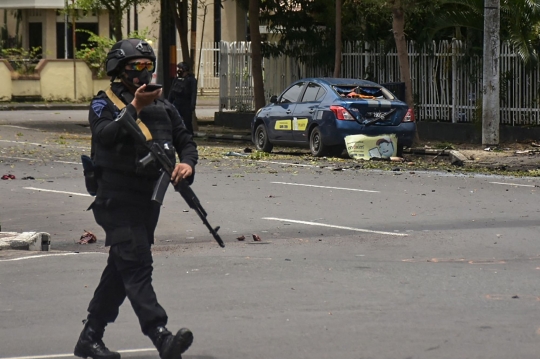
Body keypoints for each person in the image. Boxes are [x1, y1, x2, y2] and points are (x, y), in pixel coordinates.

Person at [74, 38, 198, 359]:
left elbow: (185, 140)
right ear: (120, 70)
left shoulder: (164, 105)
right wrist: (135, 108)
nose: (143, 74)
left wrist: (187, 163)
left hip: (146, 202)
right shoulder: (104, 103)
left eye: (148, 67)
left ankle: (90, 337)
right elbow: (104, 134)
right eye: (135, 67)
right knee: (138, 264)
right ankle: (161, 336)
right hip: (115, 200)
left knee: (120, 269)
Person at [168, 62, 197, 134]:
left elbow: (193, 92)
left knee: (187, 122)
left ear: (185, 70)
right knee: (175, 120)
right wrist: (169, 103)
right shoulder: (176, 79)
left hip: (186, 104)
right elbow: (172, 92)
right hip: (177, 103)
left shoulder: (191, 80)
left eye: (180, 68)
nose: (178, 70)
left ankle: (189, 135)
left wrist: (192, 104)